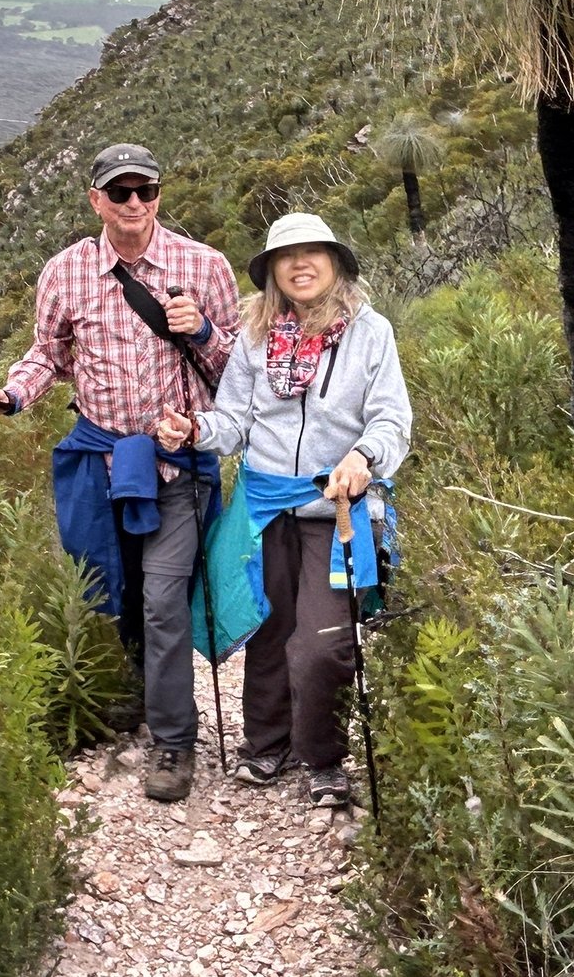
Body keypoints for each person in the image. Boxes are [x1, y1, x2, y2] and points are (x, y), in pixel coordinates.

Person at [0, 143, 240, 804]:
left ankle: (173, 741)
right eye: (119, 192)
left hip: (178, 464)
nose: (133, 203)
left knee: (163, 598)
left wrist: (203, 332)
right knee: (115, 591)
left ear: (159, 195)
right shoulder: (65, 273)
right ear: (96, 200)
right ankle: (141, 695)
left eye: (145, 190)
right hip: (103, 464)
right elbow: (48, 355)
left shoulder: (204, 266)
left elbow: (238, 373)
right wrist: (10, 396)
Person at [157, 211, 410, 808]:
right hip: (264, 506)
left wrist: (364, 456)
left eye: (312, 252)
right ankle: (267, 744)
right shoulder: (255, 337)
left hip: (337, 508)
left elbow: (391, 418)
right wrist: (195, 430)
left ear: (335, 263)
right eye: (285, 257)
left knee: (323, 641)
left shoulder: (371, 333)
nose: (300, 264)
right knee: (267, 628)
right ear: (272, 271)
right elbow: (234, 421)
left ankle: (322, 756)